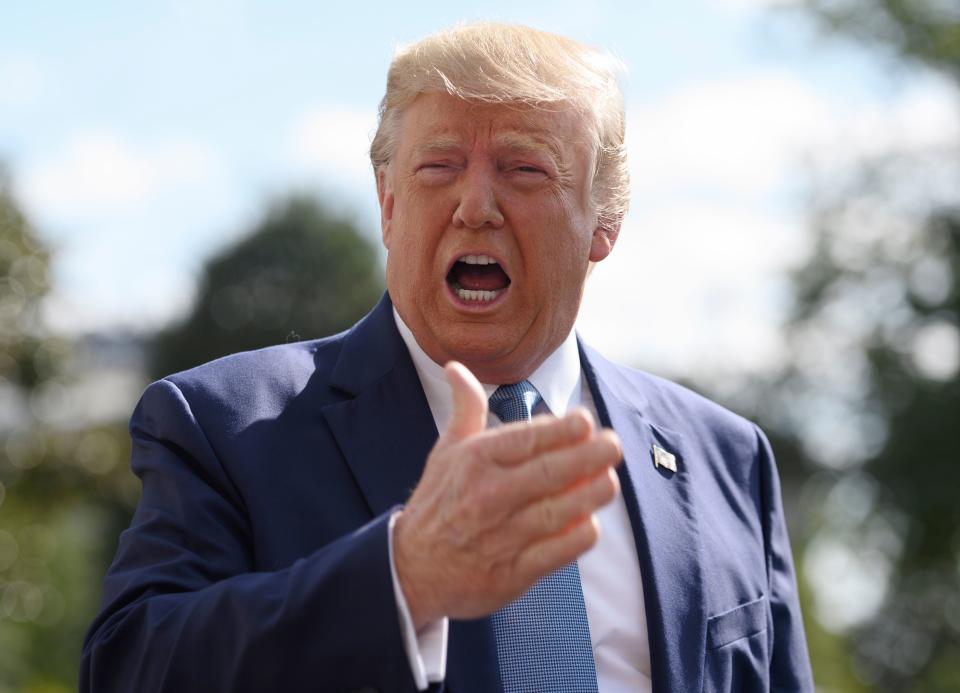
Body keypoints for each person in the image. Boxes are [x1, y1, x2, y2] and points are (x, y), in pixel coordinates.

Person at [81, 22, 814, 693]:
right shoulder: (223, 425)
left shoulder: (726, 457)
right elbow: (128, 668)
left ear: (606, 221)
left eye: (525, 168)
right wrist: (403, 578)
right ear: (389, 203)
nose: (475, 205)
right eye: (439, 167)